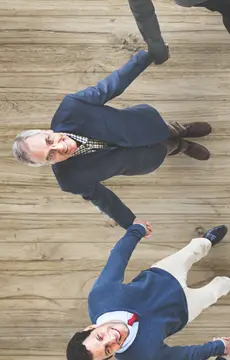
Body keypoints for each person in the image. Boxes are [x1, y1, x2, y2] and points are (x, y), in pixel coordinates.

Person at [11, 49, 211, 233]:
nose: (59, 147)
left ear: (47, 131)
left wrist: (146, 56)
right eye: (50, 155)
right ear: (48, 164)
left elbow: (113, 85)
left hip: (144, 124)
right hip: (143, 161)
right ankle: (182, 146)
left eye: (49, 140)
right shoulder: (70, 180)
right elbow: (103, 199)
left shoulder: (72, 107)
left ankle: (184, 129)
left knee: (168, 130)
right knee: (167, 149)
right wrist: (130, 222)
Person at [65, 224, 230, 360]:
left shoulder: (100, 298)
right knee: (215, 291)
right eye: (108, 349)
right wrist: (216, 347)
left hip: (163, 275)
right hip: (184, 309)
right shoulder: (141, 358)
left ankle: (207, 241)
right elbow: (183, 356)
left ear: (90, 328)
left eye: (100, 337)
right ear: (111, 356)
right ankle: (229, 283)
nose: (112, 338)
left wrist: (136, 231)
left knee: (192, 251)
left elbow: (118, 258)